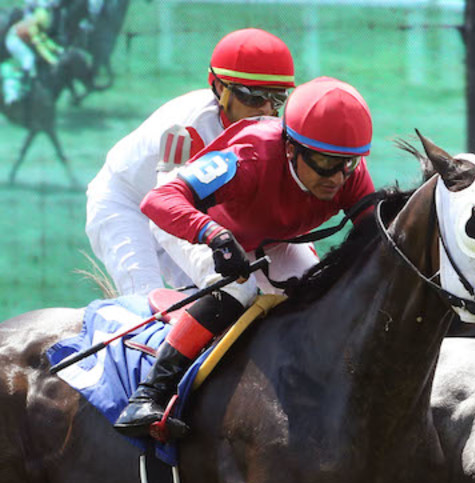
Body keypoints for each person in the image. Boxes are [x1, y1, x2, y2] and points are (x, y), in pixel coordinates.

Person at [112, 75, 377, 437]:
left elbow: (375, 234)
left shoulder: (349, 174)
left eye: (347, 163)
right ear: (290, 148)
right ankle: (149, 394)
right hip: (202, 225)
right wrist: (215, 236)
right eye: (323, 162)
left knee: (318, 293)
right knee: (240, 290)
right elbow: (158, 201)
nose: (336, 178)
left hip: (271, 235)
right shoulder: (250, 155)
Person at [85, 27, 295, 296]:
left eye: (277, 98)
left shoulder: (271, 130)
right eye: (253, 96)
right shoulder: (188, 128)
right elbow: (166, 209)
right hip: (127, 204)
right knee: (146, 301)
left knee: (220, 298)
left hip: (184, 212)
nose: (266, 110)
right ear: (220, 88)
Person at [1, 0, 62, 106]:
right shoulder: (33, 26)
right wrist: (52, 60)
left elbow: (45, 40)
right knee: (29, 58)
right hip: (14, 40)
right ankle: (24, 85)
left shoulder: (37, 23)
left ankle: (31, 80)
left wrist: (57, 49)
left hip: (21, 38)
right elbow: (40, 46)